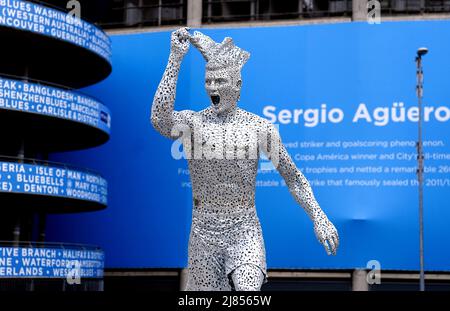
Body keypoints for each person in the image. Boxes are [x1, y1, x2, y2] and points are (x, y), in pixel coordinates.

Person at [151, 27, 339, 291]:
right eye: (208, 81)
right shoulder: (193, 123)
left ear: (238, 85)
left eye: (220, 82)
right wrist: (175, 58)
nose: (212, 88)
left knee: (248, 290)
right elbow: (160, 120)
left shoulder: (259, 128)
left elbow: (293, 178)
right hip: (203, 233)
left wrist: (319, 217)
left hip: (244, 229)